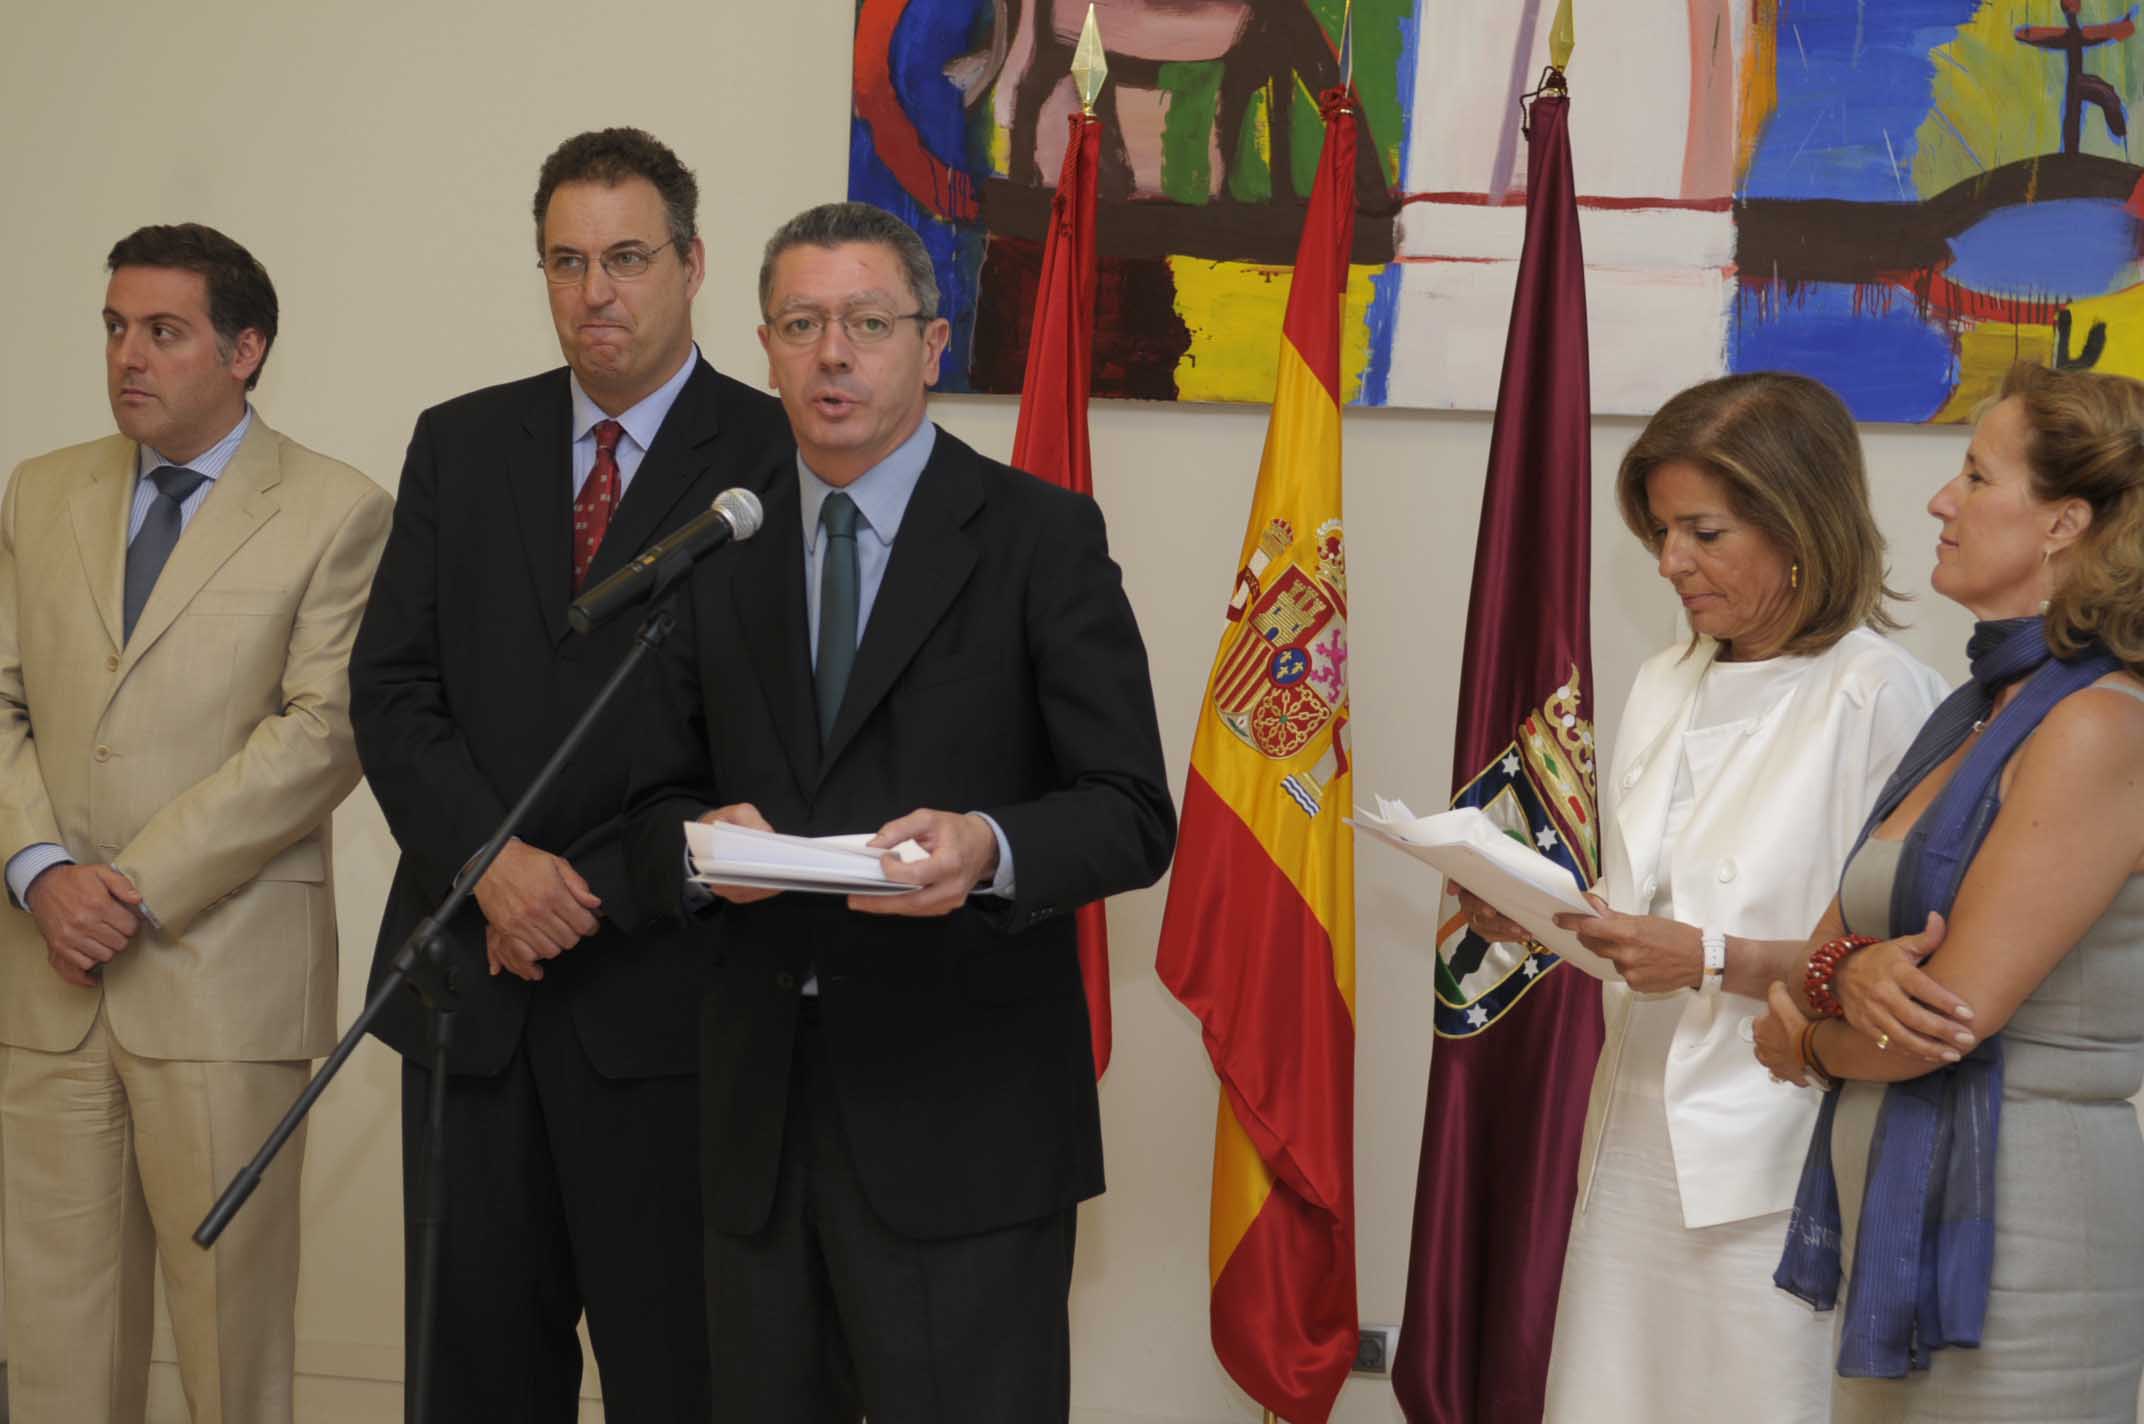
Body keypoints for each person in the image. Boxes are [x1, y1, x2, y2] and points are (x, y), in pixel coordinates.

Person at [622, 201, 1175, 1423]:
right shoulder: (713, 542)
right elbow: (643, 796)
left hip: (963, 1124)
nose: (832, 354)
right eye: (801, 324)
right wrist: (699, 853)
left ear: (930, 345)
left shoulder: (1036, 534)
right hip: (754, 1126)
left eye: (867, 323)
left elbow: (1131, 809)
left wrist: (988, 847)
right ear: (765, 348)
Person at [348, 128, 789, 1422]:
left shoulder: (776, 460)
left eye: (628, 258)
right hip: (470, 1016)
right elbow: (392, 692)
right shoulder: (461, 442)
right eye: (566, 261)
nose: (596, 291)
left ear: (692, 265)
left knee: (681, 1384)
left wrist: (574, 888)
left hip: (668, 1012)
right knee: (473, 1384)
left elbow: (774, 740)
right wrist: (492, 866)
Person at [1453, 373, 1947, 1423]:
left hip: (1782, 1139)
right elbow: (1656, 903)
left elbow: (1908, 959)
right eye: (1662, 530)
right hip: (1635, 1118)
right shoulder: (1666, 676)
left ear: (1798, 523)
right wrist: (1537, 910)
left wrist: (1713, 959)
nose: (1670, 561)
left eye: (1703, 532)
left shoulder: (1880, 694)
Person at [0, 223, 391, 1424]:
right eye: (115, 327)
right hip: (48, 980)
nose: (128, 355)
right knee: (56, 1343)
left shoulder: (336, 508)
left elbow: (323, 731)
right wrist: (41, 871)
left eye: (164, 331)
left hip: (224, 983)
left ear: (244, 348)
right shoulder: (40, 490)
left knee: (230, 1343)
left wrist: (126, 886)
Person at [1756, 362, 2144, 1421]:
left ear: (2063, 522)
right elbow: (1821, 950)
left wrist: (1805, 1041)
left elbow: (1938, 1023)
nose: (1939, 501)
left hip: (2021, 1242)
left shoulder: (2097, 723)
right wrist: (1845, 974)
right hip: (1900, 1223)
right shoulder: (1974, 708)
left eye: (1975, 475)